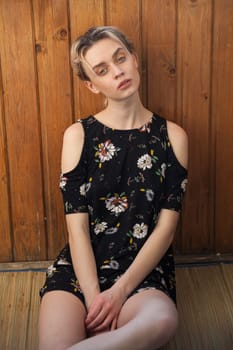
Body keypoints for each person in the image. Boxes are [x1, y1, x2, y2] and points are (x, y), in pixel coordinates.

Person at [38, 26, 188, 350]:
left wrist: (119, 293)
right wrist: (96, 300)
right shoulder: (77, 136)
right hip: (81, 270)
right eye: (102, 70)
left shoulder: (172, 137)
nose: (117, 71)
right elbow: (76, 229)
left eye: (121, 58)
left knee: (163, 319)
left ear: (134, 59)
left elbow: (166, 229)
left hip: (142, 273)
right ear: (92, 85)